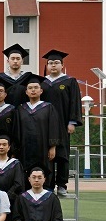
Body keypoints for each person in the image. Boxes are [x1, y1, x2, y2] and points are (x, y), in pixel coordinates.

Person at [40, 50, 81, 196]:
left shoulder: (70, 81)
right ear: (47, 65)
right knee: (47, 156)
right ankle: (48, 185)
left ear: (62, 65)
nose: (53, 65)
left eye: (56, 63)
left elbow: (74, 102)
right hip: (45, 126)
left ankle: (62, 184)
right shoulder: (42, 83)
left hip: (63, 124)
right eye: (50, 63)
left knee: (62, 155)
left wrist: (72, 122)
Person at [15, 74, 65, 180]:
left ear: (41, 91)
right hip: (25, 148)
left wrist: (53, 146)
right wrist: (16, 148)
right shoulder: (20, 109)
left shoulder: (48, 107)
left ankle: (45, 188)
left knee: (44, 170)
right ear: (26, 92)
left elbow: (53, 127)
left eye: (36, 87)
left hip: (43, 148)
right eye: (30, 88)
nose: (33, 90)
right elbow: (17, 130)